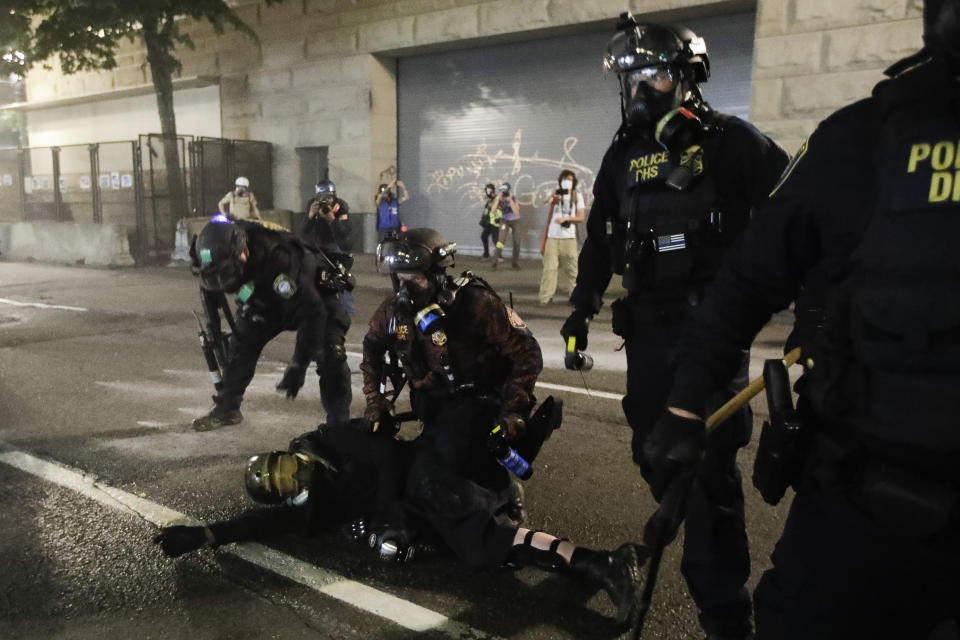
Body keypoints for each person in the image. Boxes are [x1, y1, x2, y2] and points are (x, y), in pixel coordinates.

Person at [642, 2, 960, 638]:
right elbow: (746, 276)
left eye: (651, 74)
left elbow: (745, 278)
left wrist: (686, 403)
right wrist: (679, 400)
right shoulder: (862, 138)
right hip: (860, 493)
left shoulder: (843, 137)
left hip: (862, 508)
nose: (640, 89)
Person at [559, 15, 790, 640]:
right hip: (649, 336)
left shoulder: (733, 143)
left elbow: (796, 220)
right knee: (653, 448)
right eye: (630, 78)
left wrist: (812, 313)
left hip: (712, 334)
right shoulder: (621, 154)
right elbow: (601, 239)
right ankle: (686, 516)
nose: (640, 90)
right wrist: (580, 308)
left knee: (707, 470)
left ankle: (723, 613)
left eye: (655, 75)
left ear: (687, 79)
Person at [361, 228, 646, 628]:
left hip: (478, 414)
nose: (407, 289)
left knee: (451, 514)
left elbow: (526, 351)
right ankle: (497, 493)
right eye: (401, 280)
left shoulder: (475, 303)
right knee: (413, 483)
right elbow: (371, 349)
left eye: (416, 279)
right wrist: (376, 402)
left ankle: (600, 563)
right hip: (439, 423)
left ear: (440, 274)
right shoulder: (395, 312)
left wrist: (513, 412)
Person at [153, 420, 417, 561]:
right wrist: (207, 534)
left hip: (418, 465)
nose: (291, 474)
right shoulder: (310, 509)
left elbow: (386, 452)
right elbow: (262, 522)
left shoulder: (324, 443)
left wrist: (386, 511)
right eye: (283, 481)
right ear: (285, 496)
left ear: (286, 455)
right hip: (414, 508)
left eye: (284, 466)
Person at [190, 216, 354, 431]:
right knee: (241, 346)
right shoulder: (212, 252)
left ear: (244, 253)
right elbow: (208, 287)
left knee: (330, 352)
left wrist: (298, 364)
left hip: (316, 295)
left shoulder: (278, 259)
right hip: (264, 294)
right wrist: (214, 328)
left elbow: (312, 313)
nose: (223, 281)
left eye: (226, 273)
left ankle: (339, 424)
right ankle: (228, 409)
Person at [538, 170, 586, 305]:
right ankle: (546, 298)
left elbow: (581, 217)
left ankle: (576, 296)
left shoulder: (577, 196)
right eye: (565, 179)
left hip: (569, 238)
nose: (567, 182)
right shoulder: (556, 193)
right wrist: (552, 196)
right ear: (560, 180)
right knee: (549, 268)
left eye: (570, 179)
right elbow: (543, 201)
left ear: (573, 182)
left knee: (572, 269)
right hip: (552, 237)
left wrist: (568, 218)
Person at [301, 179, 351, 253]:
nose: (325, 201)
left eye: (328, 197)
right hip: (316, 243)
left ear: (334, 197)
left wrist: (332, 219)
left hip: (335, 243)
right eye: (322, 197)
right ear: (317, 197)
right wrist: (310, 215)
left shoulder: (340, 205)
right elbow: (304, 230)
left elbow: (344, 232)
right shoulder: (313, 204)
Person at [492, 182, 522, 269]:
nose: (503, 193)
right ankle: (494, 262)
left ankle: (515, 263)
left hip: (515, 220)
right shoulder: (499, 198)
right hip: (504, 220)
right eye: (501, 191)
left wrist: (510, 201)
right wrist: (498, 199)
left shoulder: (513, 198)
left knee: (517, 242)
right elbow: (493, 210)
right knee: (500, 241)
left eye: (504, 191)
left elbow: (516, 212)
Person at [478, 182, 502, 258]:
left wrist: (492, 198)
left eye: (489, 190)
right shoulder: (489, 199)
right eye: (487, 190)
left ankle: (499, 256)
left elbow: (495, 208)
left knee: (495, 240)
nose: (487, 192)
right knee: (484, 236)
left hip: (494, 222)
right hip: (488, 223)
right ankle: (486, 253)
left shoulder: (496, 198)